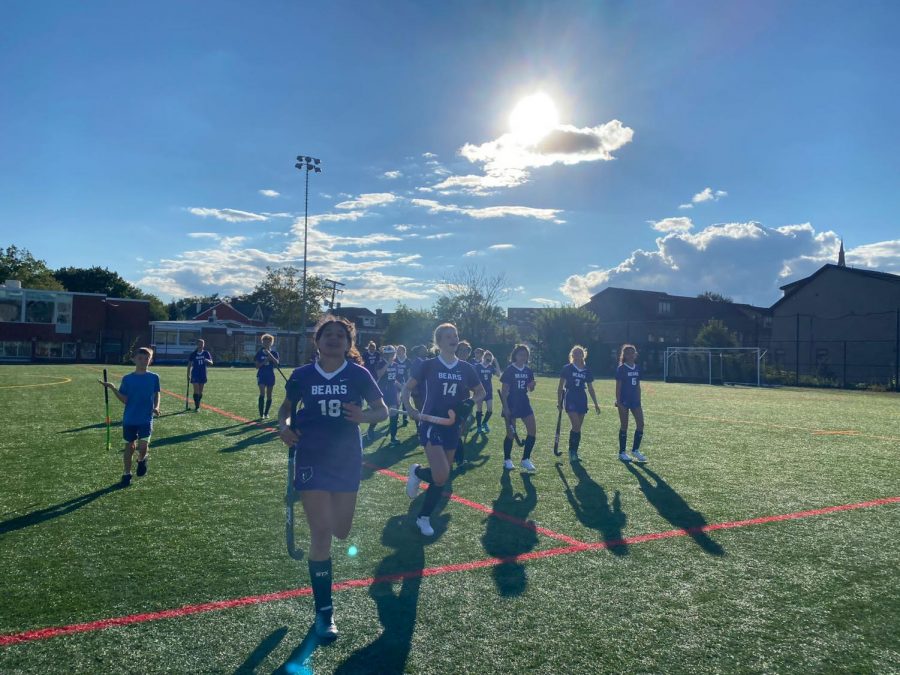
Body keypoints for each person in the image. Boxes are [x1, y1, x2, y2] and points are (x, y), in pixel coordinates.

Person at [277, 315, 388, 640]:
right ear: (318, 340)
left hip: (347, 459)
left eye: (341, 335)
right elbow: (285, 408)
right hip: (311, 457)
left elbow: (382, 410)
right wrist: (283, 427)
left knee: (342, 531)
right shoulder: (302, 375)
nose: (335, 338)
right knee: (322, 533)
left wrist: (364, 416)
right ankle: (324, 613)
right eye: (329, 334)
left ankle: (324, 605)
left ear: (349, 343)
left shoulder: (358, 374)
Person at [401, 323, 485, 536]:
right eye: (448, 336)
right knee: (440, 475)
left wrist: (470, 403)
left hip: (453, 428)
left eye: (455, 335)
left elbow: (481, 392)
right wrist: (410, 407)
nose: (453, 339)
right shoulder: (428, 365)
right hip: (431, 424)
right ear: (438, 342)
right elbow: (407, 388)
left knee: (443, 476)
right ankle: (424, 517)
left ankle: (417, 472)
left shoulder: (466, 368)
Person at [99, 347, 160, 486]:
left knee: (143, 447)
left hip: (146, 417)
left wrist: (156, 407)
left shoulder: (154, 377)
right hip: (130, 418)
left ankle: (142, 460)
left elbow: (157, 393)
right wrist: (113, 388)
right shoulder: (127, 379)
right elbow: (125, 399)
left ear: (150, 361)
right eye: (140, 358)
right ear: (133, 359)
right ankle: (127, 473)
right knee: (130, 447)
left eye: (147, 358)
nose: (143, 361)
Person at [557, 345, 601, 463]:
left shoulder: (587, 370)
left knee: (578, 428)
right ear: (572, 355)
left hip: (582, 397)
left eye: (580, 352)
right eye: (575, 353)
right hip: (570, 396)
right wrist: (559, 402)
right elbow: (560, 387)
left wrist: (596, 403)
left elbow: (591, 388)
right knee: (576, 425)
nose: (577, 354)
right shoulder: (567, 368)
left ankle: (574, 451)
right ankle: (572, 452)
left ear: (583, 355)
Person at [499, 345, 538, 472]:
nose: (523, 357)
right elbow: (504, 391)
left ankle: (525, 459)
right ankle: (507, 459)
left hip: (524, 402)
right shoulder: (510, 370)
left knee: (532, 430)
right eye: (520, 354)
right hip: (511, 402)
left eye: (525, 355)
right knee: (510, 433)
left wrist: (532, 386)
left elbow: (530, 389)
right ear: (515, 355)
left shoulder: (528, 371)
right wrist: (505, 408)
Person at [615, 344, 647, 463]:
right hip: (623, 401)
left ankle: (635, 450)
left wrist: (639, 399)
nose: (630, 355)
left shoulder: (637, 368)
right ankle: (622, 452)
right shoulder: (621, 368)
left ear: (635, 354)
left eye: (632, 353)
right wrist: (618, 402)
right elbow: (618, 387)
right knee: (624, 426)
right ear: (624, 355)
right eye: (627, 353)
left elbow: (638, 386)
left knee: (641, 424)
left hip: (635, 401)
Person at [379, 345, 403, 444]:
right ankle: (370, 430)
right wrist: (387, 364)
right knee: (380, 413)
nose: (390, 355)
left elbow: (394, 380)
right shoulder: (381, 363)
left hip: (392, 392)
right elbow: (379, 374)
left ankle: (393, 437)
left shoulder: (396, 365)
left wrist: (402, 388)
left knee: (394, 415)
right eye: (388, 354)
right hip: (383, 391)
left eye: (392, 354)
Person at [254, 333, 280, 419]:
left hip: (270, 375)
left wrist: (270, 356)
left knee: (269, 395)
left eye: (268, 342)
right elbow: (257, 366)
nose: (266, 344)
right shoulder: (259, 353)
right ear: (262, 342)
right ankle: (261, 414)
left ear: (271, 343)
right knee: (262, 393)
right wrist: (265, 360)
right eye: (264, 342)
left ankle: (266, 413)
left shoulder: (274, 353)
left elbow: (277, 363)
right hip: (261, 375)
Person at [475, 350, 501, 434]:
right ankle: (479, 426)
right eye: (487, 359)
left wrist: (496, 363)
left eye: (490, 360)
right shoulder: (478, 366)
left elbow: (498, 374)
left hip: (489, 391)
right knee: (479, 409)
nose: (488, 361)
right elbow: (473, 378)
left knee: (490, 409)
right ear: (484, 358)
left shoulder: (490, 367)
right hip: (479, 391)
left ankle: (484, 423)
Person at [187, 339, 213, 411]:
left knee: (200, 392)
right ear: (197, 344)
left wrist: (207, 360)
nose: (201, 345)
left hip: (203, 373)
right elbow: (189, 365)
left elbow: (211, 363)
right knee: (196, 390)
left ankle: (198, 403)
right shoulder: (193, 354)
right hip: (195, 373)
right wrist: (188, 375)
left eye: (202, 344)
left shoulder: (206, 353)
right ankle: (197, 407)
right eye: (200, 344)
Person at [394, 344, 411, 426]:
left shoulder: (408, 361)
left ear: (404, 351)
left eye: (400, 350)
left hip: (405, 384)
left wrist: (407, 383)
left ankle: (405, 418)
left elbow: (409, 373)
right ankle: (395, 418)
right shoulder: (395, 360)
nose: (398, 352)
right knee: (396, 402)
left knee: (405, 402)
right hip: (396, 383)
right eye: (397, 350)